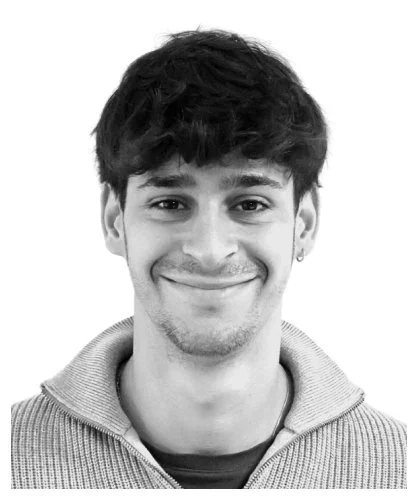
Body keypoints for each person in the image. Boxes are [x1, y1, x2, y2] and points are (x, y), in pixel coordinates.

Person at [11, 29, 406, 489]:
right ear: (114, 219)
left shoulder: (400, 468)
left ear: (304, 224)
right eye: (170, 203)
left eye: (250, 204)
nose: (210, 251)